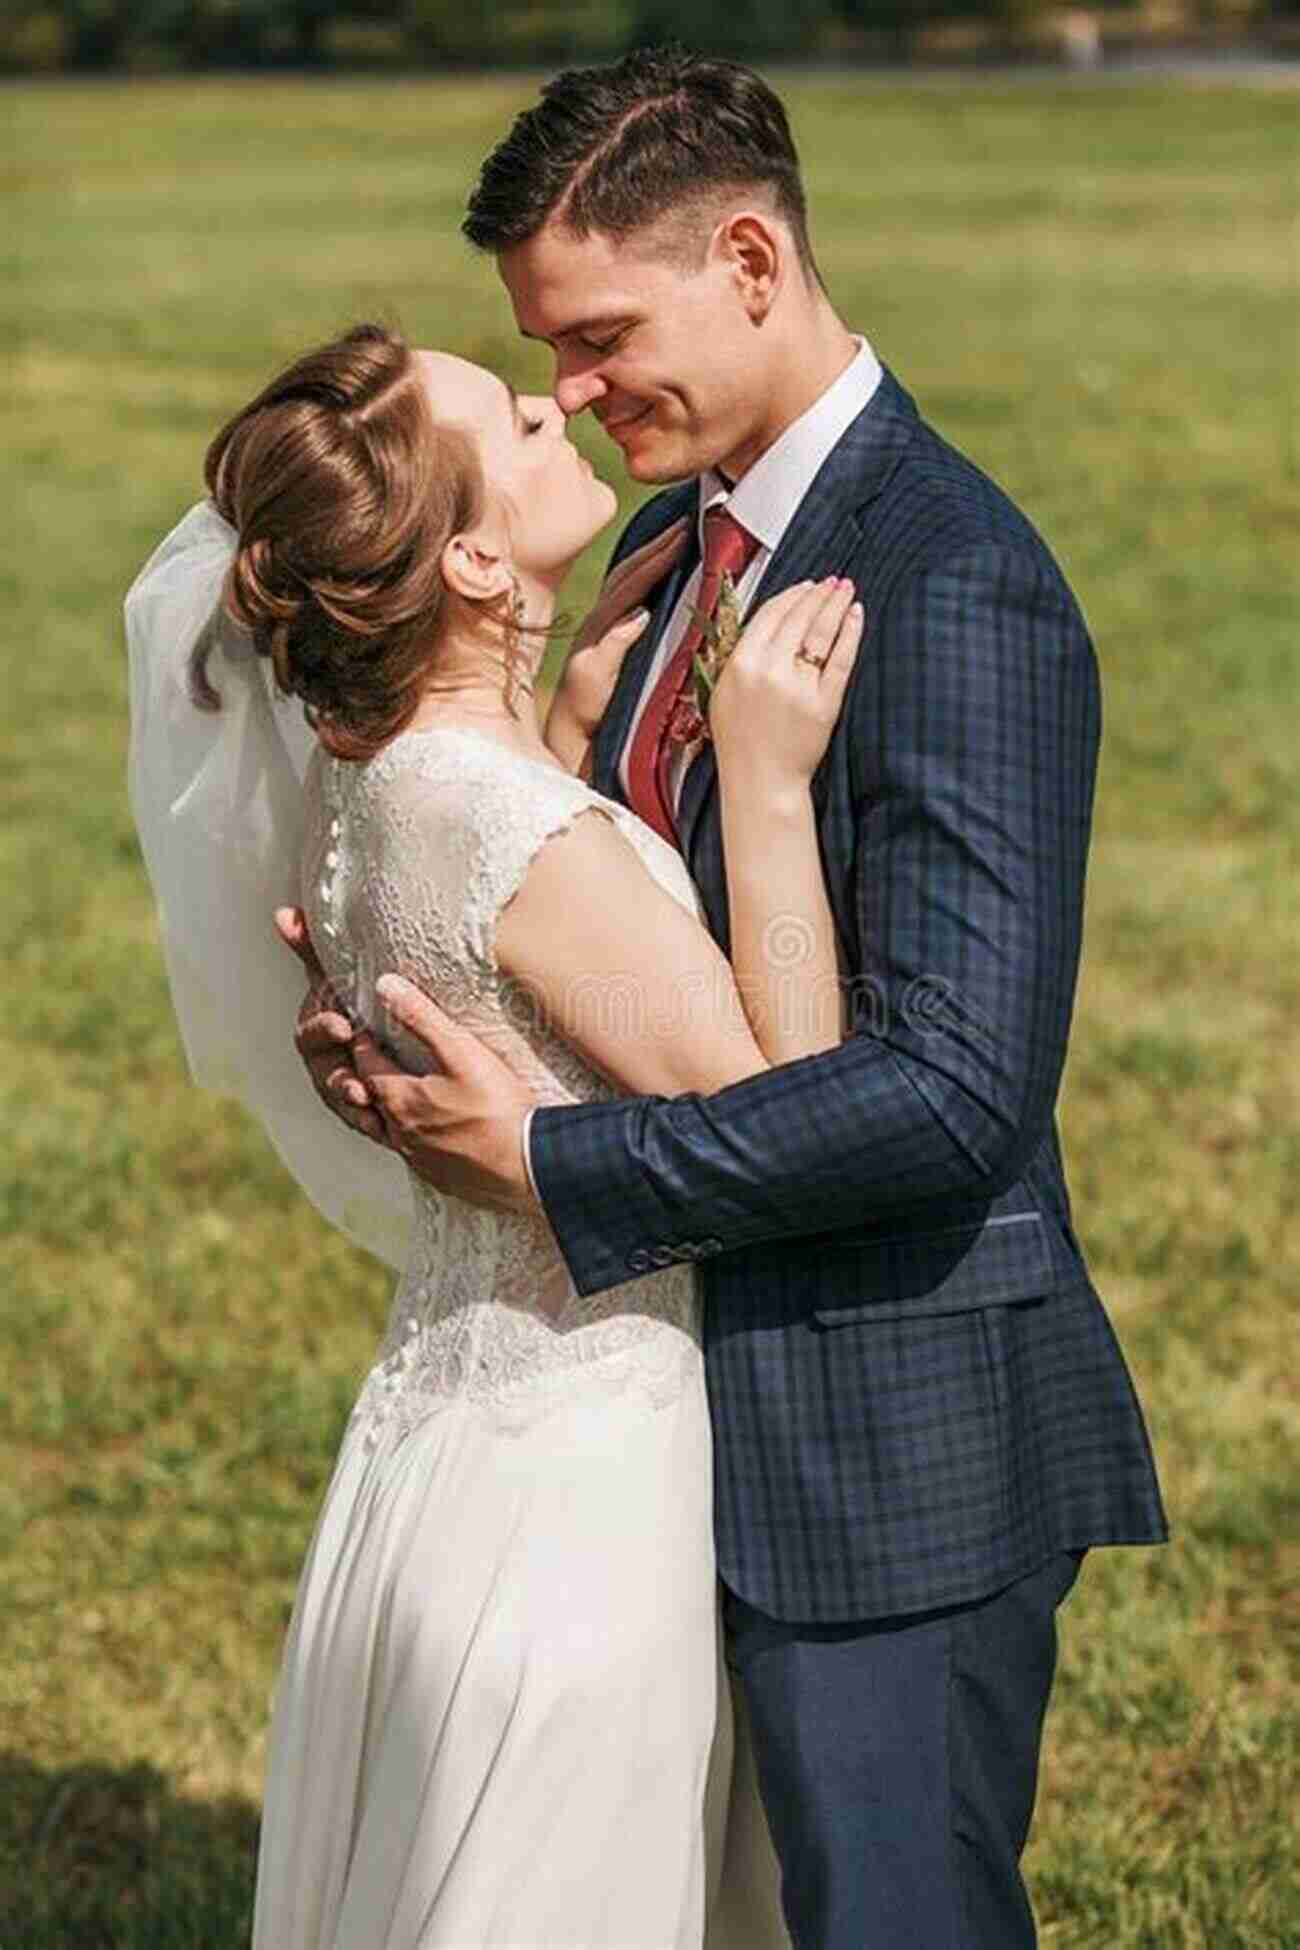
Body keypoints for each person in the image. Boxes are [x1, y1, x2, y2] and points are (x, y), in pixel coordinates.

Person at [285, 47, 1170, 1950]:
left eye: (602, 339)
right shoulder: (677, 538)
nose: (578, 399)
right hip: (666, 1439)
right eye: (551, 357)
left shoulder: (951, 583)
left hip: (891, 1437)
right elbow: (619, 918)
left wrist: (553, 1156)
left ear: (753, 260)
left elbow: (951, 1096)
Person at [127, 319, 873, 1946]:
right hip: (577, 1495)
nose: (554, 402)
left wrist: (566, 727)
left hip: (436, 1452)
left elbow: (501, 947)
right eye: (509, 413)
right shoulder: (510, 824)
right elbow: (788, 1105)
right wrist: (759, 782)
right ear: (471, 555)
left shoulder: (381, 787)